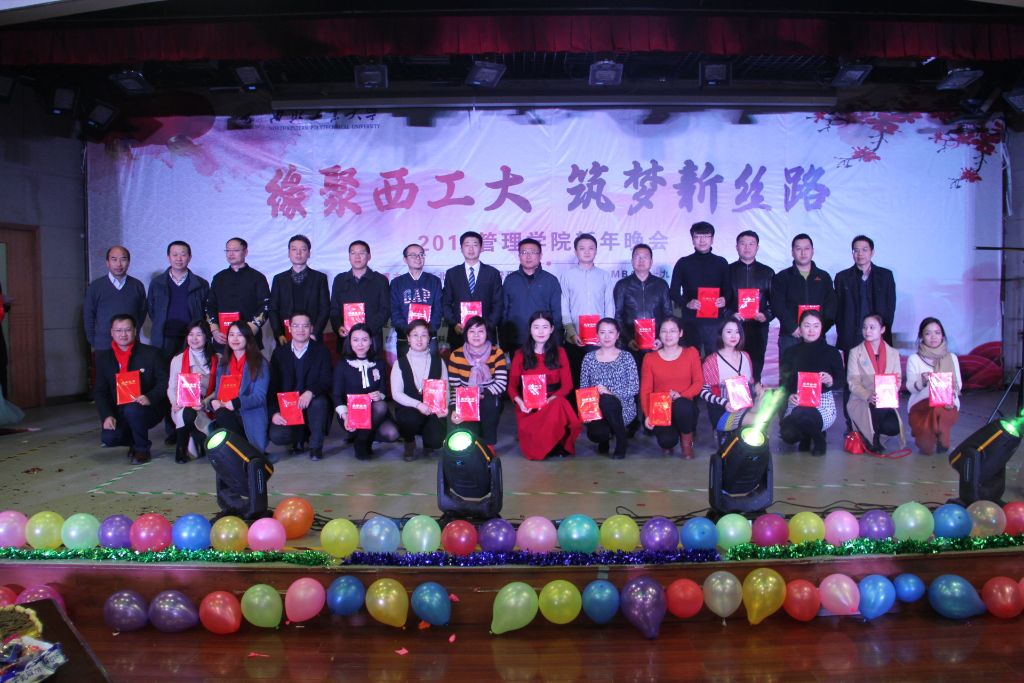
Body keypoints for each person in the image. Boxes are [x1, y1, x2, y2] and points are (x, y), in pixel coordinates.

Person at [148, 240, 211, 445]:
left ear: (189, 257)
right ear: (168, 257)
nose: (179, 258)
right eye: (174, 254)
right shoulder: (157, 283)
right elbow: (152, 310)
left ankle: (192, 426)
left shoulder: (200, 284)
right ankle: (173, 428)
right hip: (165, 339)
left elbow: (205, 312)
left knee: (193, 380)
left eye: (183, 254)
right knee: (169, 382)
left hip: (191, 339)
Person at [834, 235, 897, 430]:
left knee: (881, 379)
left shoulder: (885, 276)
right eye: (856, 250)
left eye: (864, 249)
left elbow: (890, 307)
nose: (860, 254)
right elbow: (838, 310)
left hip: (878, 338)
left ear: (872, 252)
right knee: (852, 381)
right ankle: (852, 424)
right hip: (853, 338)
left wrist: (881, 333)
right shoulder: (842, 277)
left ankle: (882, 422)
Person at [507, 312, 582, 460]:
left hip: (553, 402)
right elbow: (511, 387)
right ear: (530, 329)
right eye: (536, 327)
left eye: (545, 327)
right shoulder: (520, 354)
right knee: (535, 451)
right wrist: (520, 402)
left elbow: (567, 385)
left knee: (559, 404)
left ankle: (557, 442)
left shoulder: (560, 352)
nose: (540, 332)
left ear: (552, 329)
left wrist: (550, 400)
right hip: (529, 405)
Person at [94, 314, 167, 464]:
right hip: (119, 410)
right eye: (118, 330)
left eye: (127, 330)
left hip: (147, 408)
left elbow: (164, 382)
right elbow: (100, 391)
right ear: (112, 332)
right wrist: (107, 415)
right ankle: (134, 441)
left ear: (135, 331)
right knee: (109, 437)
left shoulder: (152, 354)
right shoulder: (104, 358)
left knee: (133, 410)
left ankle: (142, 449)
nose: (123, 334)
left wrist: (150, 397)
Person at [779, 310, 846, 456]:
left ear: (822, 328)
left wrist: (830, 381)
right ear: (800, 328)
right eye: (807, 325)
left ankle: (819, 440)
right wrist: (790, 395)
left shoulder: (832, 352)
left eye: (816, 326)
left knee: (803, 413)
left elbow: (841, 380)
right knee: (788, 434)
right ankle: (809, 435)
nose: (811, 330)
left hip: (822, 403)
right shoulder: (790, 352)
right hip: (797, 402)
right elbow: (784, 382)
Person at [267, 312, 333, 461]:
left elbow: (327, 380)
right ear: (289, 328)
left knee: (319, 402)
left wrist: (311, 392)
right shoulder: (279, 353)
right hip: (288, 406)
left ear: (311, 328)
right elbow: (272, 387)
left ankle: (315, 447)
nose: (300, 330)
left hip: (312, 404)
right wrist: (274, 413)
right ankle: (299, 438)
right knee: (277, 435)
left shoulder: (321, 351)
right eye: (296, 326)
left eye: (305, 326)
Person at [332, 323, 399, 460]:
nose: (360, 344)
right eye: (355, 340)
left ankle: (361, 440)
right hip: (351, 413)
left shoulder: (379, 363)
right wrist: (345, 416)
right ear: (350, 342)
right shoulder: (342, 365)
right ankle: (362, 440)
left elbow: (383, 389)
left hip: (375, 413)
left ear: (371, 341)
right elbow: (336, 395)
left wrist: (379, 395)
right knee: (381, 407)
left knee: (392, 432)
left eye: (364, 339)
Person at [639, 316, 702, 458]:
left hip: (685, 407)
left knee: (682, 405)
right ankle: (671, 437)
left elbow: (698, 382)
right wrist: (648, 414)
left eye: (673, 331)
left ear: (680, 333)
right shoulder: (650, 358)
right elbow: (645, 390)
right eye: (664, 331)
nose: (668, 335)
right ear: (659, 334)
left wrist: (681, 395)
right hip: (661, 409)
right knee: (666, 442)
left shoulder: (691, 353)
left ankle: (687, 445)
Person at [669, 221, 733, 357]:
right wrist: (687, 303)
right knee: (692, 356)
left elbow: (728, 291)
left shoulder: (721, 262)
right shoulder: (683, 263)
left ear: (712, 239)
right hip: (691, 320)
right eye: (697, 236)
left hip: (715, 321)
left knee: (714, 357)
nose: (702, 240)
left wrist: (724, 300)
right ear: (692, 240)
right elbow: (673, 292)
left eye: (706, 236)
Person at [560, 233, 616, 385]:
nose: (586, 251)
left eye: (591, 248)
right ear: (576, 251)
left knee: (599, 379)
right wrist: (571, 333)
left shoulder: (604, 276)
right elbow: (564, 306)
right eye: (582, 248)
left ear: (596, 251)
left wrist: (606, 333)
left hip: (600, 338)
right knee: (577, 377)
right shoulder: (567, 276)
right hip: (575, 337)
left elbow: (609, 305)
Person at [579, 318, 639, 459]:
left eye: (611, 332)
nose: (607, 336)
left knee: (607, 399)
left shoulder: (626, 357)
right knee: (596, 433)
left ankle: (621, 440)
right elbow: (583, 389)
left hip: (623, 407)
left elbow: (634, 388)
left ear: (617, 335)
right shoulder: (588, 358)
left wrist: (610, 393)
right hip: (597, 409)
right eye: (602, 332)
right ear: (597, 335)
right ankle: (604, 438)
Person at [770, 234, 837, 360]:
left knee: (816, 370)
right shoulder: (782, 277)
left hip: (817, 335)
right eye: (798, 249)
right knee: (789, 372)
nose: (803, 253)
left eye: (806, 248)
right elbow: (777, 304)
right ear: (792, 252)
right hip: (790, 336)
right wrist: (793, 328)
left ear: (812, 251)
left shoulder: (824, 277)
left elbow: (831, 306)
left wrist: (820, 328)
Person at [391, 320, 449, 461]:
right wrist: (418, 405)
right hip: (409, 410)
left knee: (437, 440)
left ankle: (428, 441)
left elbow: (445, 389)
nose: (419, 339)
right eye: (415, 335)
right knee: (410, 419)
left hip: (432, 410)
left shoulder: (438, 362)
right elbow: (396, 393)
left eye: (424, 335)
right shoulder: (399, 363)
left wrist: (444, 407)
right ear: (408, 339)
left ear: (429, 338)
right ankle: (409, 441)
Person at [847, 314, 905, 453]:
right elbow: (853, 382)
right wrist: (868, 395)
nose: (867, 331)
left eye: (872, 327)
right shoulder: (855, 353)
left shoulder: (893, 353)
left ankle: (873, 436)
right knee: (873, 413)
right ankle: (872, 438)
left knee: (893, 427)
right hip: (862, 400)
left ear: (882, 329)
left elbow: (897, 379)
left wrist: (890, 391)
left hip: (885, 400)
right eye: (864, 327)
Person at [447, 315, 508, 447]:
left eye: (480, 331)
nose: (476, 335)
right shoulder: (456, 355)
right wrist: (454, 408)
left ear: (487, 333)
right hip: (465, 399)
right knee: (467, 435)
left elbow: (501, 383)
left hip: (489, 396)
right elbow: (454, 387)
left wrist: (480, 394)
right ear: (465, 334)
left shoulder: (497, 353)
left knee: (490, 403)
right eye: (471, 331)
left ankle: (490, 445)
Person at [699, 319, 760, 448]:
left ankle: (747, 445)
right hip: (724, 411)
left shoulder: (745, 356)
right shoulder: (712, 361)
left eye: (737, 332)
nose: (733, 336)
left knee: (768, 407)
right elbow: (703, 392)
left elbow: (751, 382)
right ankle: (727, 436)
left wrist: (759, 389)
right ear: (720, 334)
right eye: (729, 332)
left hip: (745, 406)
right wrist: (724, 403)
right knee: (757, 420)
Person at [210, 321, 269, 453]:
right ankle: (241, 450)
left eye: (240, 335)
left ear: (248, 338)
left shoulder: (260, 363)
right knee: (220, 413)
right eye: (231, 335)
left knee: (223, 415)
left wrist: (237, 402)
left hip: (249, 413)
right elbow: (218, 393)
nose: (235, 339)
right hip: (227, 412)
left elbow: (259, 397)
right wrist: (213, 401)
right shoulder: (223, 363)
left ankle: (244, 450)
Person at [906, 317, 962, 455]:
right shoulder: (914, 359)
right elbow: (910, 387)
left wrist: (948, 390)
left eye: (937, 333)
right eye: (928, 333)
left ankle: (942, 436)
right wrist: (923, 382)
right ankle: (933, 434)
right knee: (926, 448)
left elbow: (958, 385)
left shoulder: (952, 357)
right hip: (921, 403)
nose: (933, 337)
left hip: (947, 404)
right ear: (921, 336)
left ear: (942, 335)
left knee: (938, 409)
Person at [166, 321, 219, 463]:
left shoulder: (218, 359)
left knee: (213, 446)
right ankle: (181, 448)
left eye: (199, 334)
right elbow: (172, 387)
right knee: (186, 412)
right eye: (190, 334)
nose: (194, 338)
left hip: (207, 407)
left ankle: (195, 437)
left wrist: (204, 403)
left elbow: (219, 389)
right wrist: (174, 402)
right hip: (183, 406)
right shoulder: (177, 360)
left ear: (207, 337)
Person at [441, 231, 504, 349]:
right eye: (467, 245)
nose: (471, 249)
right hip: (458, 333)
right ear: (461, 248)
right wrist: (454, 324)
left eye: (475, 245)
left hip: (486, 334)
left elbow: (498, 303)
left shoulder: (492, 273)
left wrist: (488, 326)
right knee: (458, 361)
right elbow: (446, 303)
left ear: (481, 248)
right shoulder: (452, 274)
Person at [205, 237, 271, 349]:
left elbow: (266, 305)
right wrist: (214, 330)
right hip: (222, 338)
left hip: (250, 337)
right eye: (228, 250)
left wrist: (252, 328)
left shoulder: (257, 277)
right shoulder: (218, 278)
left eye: (235, 250)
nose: (231, 254)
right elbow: (210, 305)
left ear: (245, 252)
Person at [501, 237, 562, 356]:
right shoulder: (510, 280)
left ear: (540, 255)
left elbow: (557, 313)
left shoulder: (550, 280)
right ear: (519, 256)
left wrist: (556, 341)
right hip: (516, 340)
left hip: (544, 341)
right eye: (524, 252)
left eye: (532, 252)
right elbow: (504, 311)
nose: (528, 256)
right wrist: (504, 340)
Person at [729, 230, 775, 383]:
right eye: (743, 244)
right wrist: (730, 314)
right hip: (734, 327)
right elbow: (721, 300)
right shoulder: (727, 271)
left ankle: (754, 393)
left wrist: (766, 315)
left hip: (758, 326)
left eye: (751, 244)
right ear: (737, 247)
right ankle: (733, 396)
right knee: (733, 364)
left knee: (756, 365)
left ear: (757, 247)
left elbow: (775, 302)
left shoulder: (767, 272)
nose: (747, 247)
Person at [329, 240, 390, 355]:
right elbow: (334, 309)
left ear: (369, 256)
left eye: (361, 253)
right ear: (349, 257)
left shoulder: (380, 280)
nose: (357, 257)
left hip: (372, 339)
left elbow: (385, 310)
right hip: (346, 338)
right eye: (353, 253)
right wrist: (338, 327)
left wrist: (366, 331)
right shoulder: (340, 280)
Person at [269, 234, 330, 347]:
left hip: (313, 338)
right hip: (285, 339)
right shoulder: (279, 279)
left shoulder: (320, 278)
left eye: (303, 249)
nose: (298, 253)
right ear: (288, 253)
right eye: (294, 249)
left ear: (309, 253)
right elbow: (273, 309)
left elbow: (325, 309)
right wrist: (279, 334)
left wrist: (315, 333)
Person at [613, 243, 673, 357]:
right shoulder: (622, 285)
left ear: (651, 261)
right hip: (630, 343)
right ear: (632, 261)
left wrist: (661, 338)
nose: (641, 260)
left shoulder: (661, 285)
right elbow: (617, 315)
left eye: (645, 257)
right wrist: (628, 339)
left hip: (656, 343)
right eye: (637, 257)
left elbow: (668, 314)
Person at [83, 246, 147, 351]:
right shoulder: (95, 286)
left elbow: (142, 312)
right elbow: (88, 315)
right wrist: (93, 341)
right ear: (107, 262)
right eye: (114, 259)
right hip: (104, 344)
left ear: (128, 262)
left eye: (123, 259)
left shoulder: (137, 285)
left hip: (131, 344)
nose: (118, 264)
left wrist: (132, 333)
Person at [390, 243, 443, 357]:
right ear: (405, 259)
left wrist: (428, 331)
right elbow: (394, 310)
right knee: (405, 367)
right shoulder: (397, 283)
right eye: (413, 255)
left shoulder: (434, 281)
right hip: (405, 336)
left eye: (421, 255)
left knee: (431, 367)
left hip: (429, 337)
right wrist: (408, 331)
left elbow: (438, 309)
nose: (418, 258)